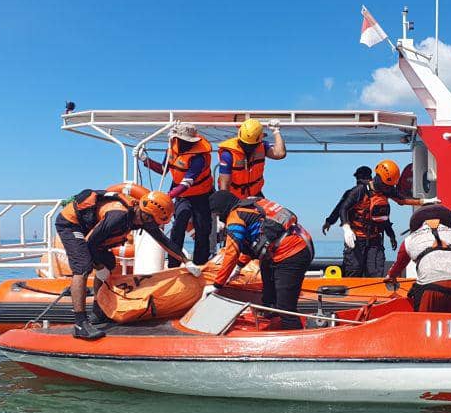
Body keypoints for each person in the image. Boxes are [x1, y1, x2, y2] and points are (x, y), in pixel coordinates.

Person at [54, 188, 201, 339]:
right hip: (71, 223)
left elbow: (164, 241)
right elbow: (90, 243)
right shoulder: (118, 216)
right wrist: (98, 267)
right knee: (83, 266)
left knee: (109, 263)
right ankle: (80, 324)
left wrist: (187, 261)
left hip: (91, 228)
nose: (153, 225)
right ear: (146, 215)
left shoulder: (142, 216)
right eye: (153, 221)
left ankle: (98, 312)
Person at [209, 190, 314, 330]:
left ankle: (295, 334)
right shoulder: (252, 204)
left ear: (222, 210)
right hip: (290, 246)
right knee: (269, 298)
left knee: (285, 308)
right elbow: (257, 242)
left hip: (292, 253)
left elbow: (232, 252)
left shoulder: (235, 217)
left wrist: (217, 285)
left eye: (216, 215)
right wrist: (239, 266)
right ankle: (270, 319)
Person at [338, 159, 429, 277]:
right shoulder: (359, 191)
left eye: (390, 186)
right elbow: (343, 208)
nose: (388, 189)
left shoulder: (387, 190)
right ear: (378, 178)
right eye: (386, 186)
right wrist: (346, 229)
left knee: (375, 272)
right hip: (356, 239)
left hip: (375, 239)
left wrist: (424, 201)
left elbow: (402, 200)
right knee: (353, 270)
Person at [139, 124, 214, 266]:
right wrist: (145, 160)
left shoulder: (199, 157)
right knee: (179, 222)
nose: (186, 144)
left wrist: (167, 196)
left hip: (201, 195)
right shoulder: (171, 149)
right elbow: (163, 169)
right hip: (182, 196)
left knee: (202, 228)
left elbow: (187, 183)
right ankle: (173, 264)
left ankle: (200, 264)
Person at [385, 204, 451, 313]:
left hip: (431, 284)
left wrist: (390, 277)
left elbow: (398, 266)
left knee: (423, 321)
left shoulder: (409, 239)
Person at [217, 118, 286, 199]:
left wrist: (276, 132)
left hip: (255, 194)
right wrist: (227, 203)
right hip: (234, 197)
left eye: (251, 145)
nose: (248, 147)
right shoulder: (228, 154)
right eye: (244, 144)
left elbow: (279, 154)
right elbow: (224, 185)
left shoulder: (262, 146)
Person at [322, 166, 373, 235]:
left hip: (357, 235)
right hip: (373, 236)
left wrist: (329, 222)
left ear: (358, 178)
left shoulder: (352, 192)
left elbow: (340, 208)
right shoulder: (377, 192)